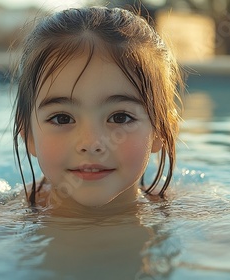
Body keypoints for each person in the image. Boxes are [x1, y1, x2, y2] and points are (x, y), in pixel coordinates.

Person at [10, 6, 184, 212]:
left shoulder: (197, 217)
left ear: (162, 131)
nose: (91, 144)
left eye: (120, 117)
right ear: (27, 134)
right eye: (62, 118)